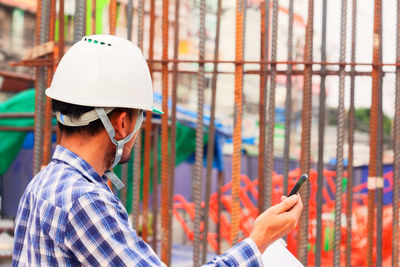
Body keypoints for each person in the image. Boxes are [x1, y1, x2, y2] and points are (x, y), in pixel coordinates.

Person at [12, 35, 303, 266]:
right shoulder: (84, 201)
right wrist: (258, 241)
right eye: (141, 119)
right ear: (122, 123)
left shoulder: (43, 183)